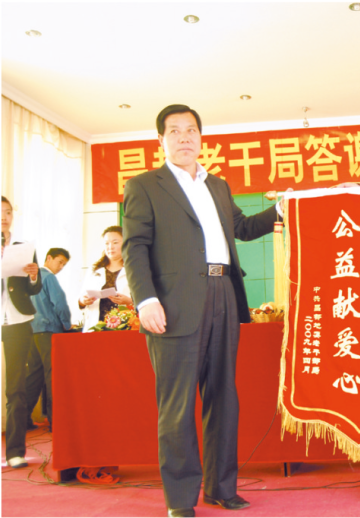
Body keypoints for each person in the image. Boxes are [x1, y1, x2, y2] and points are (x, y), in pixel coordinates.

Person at [122, 104, 281, 517]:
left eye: (191, 130)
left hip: (224, 292)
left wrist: (283, 208)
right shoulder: (145, 186)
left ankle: (221, 488)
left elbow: (243, 229)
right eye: (174, 131)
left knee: (224, 397)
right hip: (173, 304)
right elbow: (135, 246)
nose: (184, 137)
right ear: (161, 140)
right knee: (177, 406)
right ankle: (180, 500)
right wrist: (146, 299)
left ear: (201, 137)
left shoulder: (218, 186)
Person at [1, 196, 42, 469]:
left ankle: (15, 452)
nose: (4, 217)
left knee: (16, 387)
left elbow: (34, 289)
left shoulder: (23, 247)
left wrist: (33, 275)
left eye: (7, 212)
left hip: (17, 321)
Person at [24, 248, 72, 430]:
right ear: (48, 258)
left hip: (32, 331)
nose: (61, 267)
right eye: (60, 262)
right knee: (53, 375)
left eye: (64, 265)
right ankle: (56, 422)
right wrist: (67, 324)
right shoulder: (49, 277)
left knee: (33, 376)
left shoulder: (30, 278)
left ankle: (23, 420)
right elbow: (60, 304)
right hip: (49, 331)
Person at [78, 226, 132, 331]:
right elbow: (81, 298)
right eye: (107, 243)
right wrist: (83, 301)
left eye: (115, 242)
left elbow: (145, 300)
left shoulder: (134, 269)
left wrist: (129, 301)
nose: (110, 247)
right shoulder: (94, 270)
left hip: (125, 327)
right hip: (96, 327)